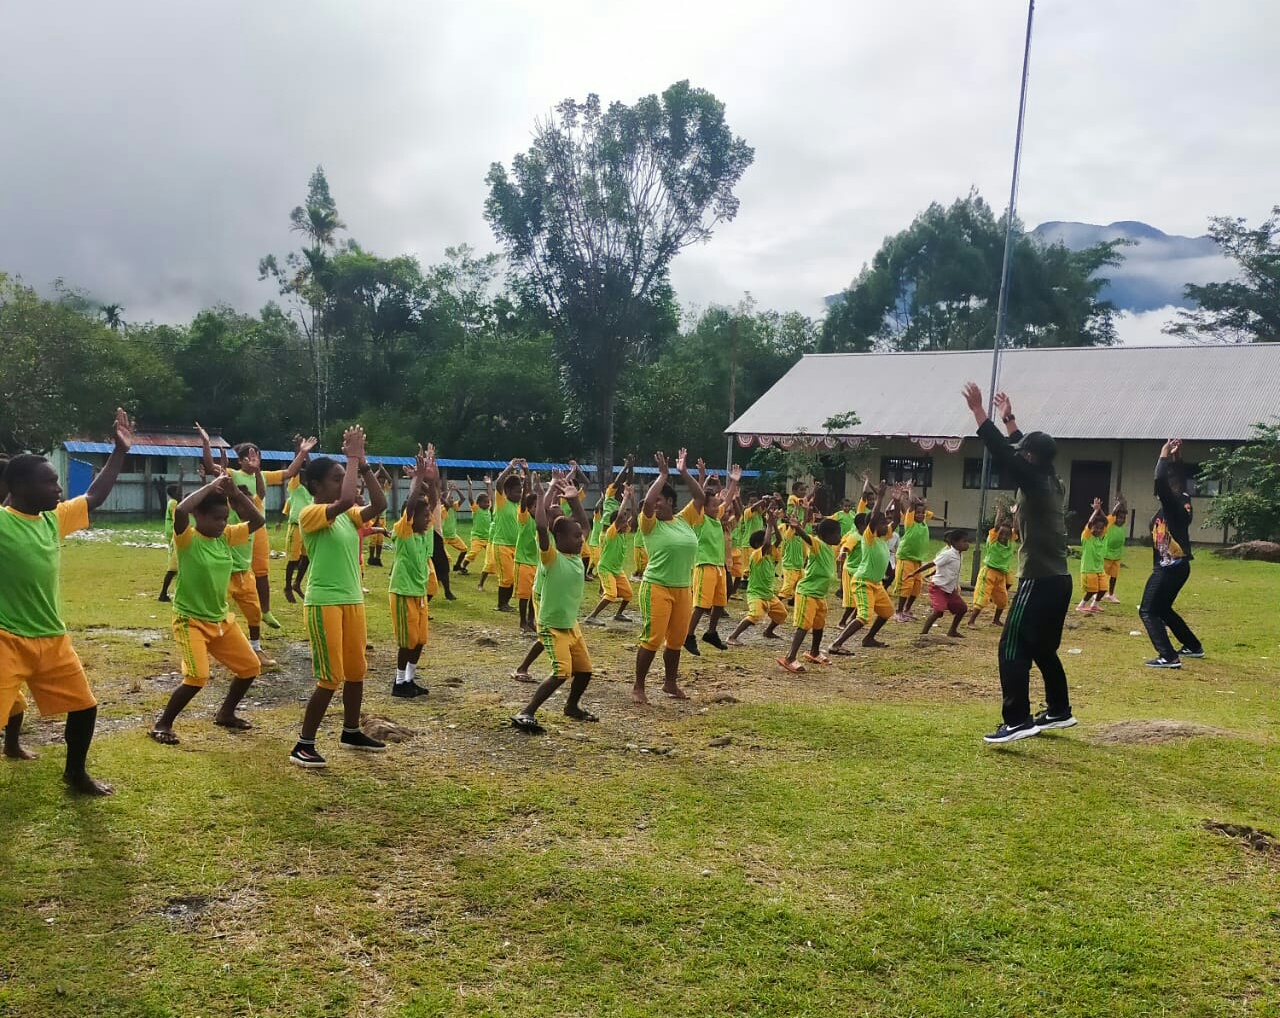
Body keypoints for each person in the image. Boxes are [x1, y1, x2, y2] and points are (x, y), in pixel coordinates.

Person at [0, 408, 133, 795]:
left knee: (84, 706)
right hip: (6, 638)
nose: (59, 489)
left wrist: (120, 451)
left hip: (52, 638)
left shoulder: (52, 519)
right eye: (50, 483)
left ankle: (75, 774)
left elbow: (94, 495)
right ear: (18, 487)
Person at [963, 383, 1076, 743]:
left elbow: (1004, 452)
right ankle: (1059, 710)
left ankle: (1017, 720)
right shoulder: (1050, 479)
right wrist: (1009, 418)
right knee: (1042, 648)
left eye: (1023, 453)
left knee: (1011, 646)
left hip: (1038, 580)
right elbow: (1021, 447)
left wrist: (981, 414)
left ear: (1029, 459)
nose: (1020, 454)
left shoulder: (1034, 479)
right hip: (1059, 580)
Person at [289, 425, 389, 768]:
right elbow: (346, 498)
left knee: (356, 671)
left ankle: (350, 730)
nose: (344, 482)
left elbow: (379, 503)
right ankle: (304, 743)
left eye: (344, 476)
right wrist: (351, 456)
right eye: (336, 477)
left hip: (352, 602)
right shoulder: (312, 513)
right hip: (324, 603)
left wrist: (360, 465)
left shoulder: (347, 516)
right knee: (330, 676)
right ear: (315, 486)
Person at [149, 473, 265, 744]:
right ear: (198, 515)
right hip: (191, 622)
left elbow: (257, 521)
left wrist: (235, 495)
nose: (222, 523)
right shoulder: (186, 539)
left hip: (222, 621)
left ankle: (226, 713)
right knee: (197, 676)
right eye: (216, 518)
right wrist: (210, 487)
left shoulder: (225, 537)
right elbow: (180, 510)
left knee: (250, 667)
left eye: (225, 518)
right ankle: (163, 724)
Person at [511, 477, 599, 733]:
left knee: (584, 671)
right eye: (574, 537)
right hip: (552, 626)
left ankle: (572, 707)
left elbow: (583, 524)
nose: (580, 539)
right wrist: (542, 494)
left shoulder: (575, 556)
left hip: (571, 625)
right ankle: (526, 711)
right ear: (558, 537)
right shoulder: (551, 557)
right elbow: (540, 527)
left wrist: (573, 499)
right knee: (562, 672)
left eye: (580, 537)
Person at [632, 450, 706, 706]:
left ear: (672, 503)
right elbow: (646, 503)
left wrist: (684, 472)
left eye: (661, 500)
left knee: (676, 640)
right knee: (653, 638)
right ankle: (639, 686)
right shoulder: (650, 524)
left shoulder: (684, 520)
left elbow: (700, 497)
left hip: (683, 589)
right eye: (655, 501)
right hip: (657, 587)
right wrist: (663, 475)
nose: (655, 504)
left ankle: (670, 683)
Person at [1140, 439, 1204, 669]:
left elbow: (1160, 480)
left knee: (1148, 610)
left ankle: (1168, 656)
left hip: (1169, 567)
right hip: (1178, 566)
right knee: (1163, 609)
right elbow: (1177, 480)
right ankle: (1193, 646)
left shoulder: (1172, 506)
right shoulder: (1184, 500)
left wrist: (1163, 454)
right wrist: (1176, 459)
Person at [389, 445, 439, 698]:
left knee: (420, 640)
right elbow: (410, 508)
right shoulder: (404, 531)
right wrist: (417, 481)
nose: (429, 519)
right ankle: (398, 682)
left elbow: (436, 499)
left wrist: (430, 476)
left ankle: (409, 679)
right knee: (407, 641)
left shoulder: (424, 534)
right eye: (424, 516)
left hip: (419, 593)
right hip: (403, 592)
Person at [828, 482, 899, 655]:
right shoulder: (869, 537)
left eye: (885, 523)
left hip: (876, 584)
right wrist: (880, 497)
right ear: (872, 527)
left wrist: (897, 501)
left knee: (887, 611)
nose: (886, 525)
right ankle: (835, 644)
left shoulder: (883, 538)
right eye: (883, 523)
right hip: (863, 582)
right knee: (864, 616)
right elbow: (874, 520)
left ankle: (868, 639)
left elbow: (896, 520)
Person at [684, 462, 741, 655]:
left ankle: (711, 632)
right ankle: (688, 635)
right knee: (701, 605)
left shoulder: (716, 518)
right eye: (714, 505)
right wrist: (702, 477)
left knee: (720, 603)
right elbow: (698, 497)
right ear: (704, 507)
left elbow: (728, 500)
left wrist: (733, 482)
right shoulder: (700, 519)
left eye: (718, 505)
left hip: (719, 567)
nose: (718, 507)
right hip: (704, 566)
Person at [777, 514, 843, 673]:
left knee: (819, 624)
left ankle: (814, 652)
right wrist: (797, 527)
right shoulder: (818, 544)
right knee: (804, 626)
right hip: (807, 593)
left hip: (819, 595)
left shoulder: (829, 547)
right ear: (826, 535)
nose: (839, 537)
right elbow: (807, 538)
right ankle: (790, 657)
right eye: (837, 534)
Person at [726, 508, 786, 645]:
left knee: (782, 614)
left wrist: (774, 524)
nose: (770, 543)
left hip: (768, 595)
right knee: (755, 615)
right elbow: (766, 543)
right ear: (759, 545)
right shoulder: (756, 555)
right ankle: (732, 636)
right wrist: (769, 524)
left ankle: (768, 631)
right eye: (767, 540)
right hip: (756, 594)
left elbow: (779, 539)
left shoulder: (771, 555)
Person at [583, 490, 637, 626]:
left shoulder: (623, 534)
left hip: (617, 571)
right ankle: (591, 616)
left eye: (626, 522)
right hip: (605, 569)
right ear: (616, 524)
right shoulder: (611, 533)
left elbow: (635, 516)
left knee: (629, 594)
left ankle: (618, 614)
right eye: (623, 522)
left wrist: (632, 499)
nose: (626, 524)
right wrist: (624, 499)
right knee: (611, 594)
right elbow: (619, 516)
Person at [912, 530, 972, 638]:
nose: (967, 544)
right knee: (938, 611)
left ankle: (952, 631)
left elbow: (943, 568)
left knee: (962, 608)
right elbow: (933, 563)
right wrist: (915, 572)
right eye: (964, 541)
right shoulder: (947, 554)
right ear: (955, 542)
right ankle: (923, 633)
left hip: (949, 590)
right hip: (938, 587)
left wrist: (955, 588)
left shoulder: (959, 555)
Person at [966, 502, 1018, 628]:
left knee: (1002, 601)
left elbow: (1016, 529)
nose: (1003, 536)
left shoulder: (1010, 543)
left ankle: (996, 620)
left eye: (1006, 534)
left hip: (1001, 576)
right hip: (988, 573)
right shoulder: (993, 541)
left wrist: (1015, 514)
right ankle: (971, 621)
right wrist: (999, 512)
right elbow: (996, 526)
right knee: (982, 598)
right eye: (1001, 533)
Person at [282, 436, 319, 603]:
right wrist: (299, 449)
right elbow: (295, 468)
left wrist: (308, 452)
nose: (305, 476)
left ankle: (297, 584)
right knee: (293, 558)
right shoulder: (295, 486)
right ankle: (287, 586)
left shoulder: (311, 490)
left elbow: (312, 470)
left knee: (307, 557)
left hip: (308, 527)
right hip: (295, 526)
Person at [488, 459, 523, 613]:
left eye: (520, 491)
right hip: (501, 545)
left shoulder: (519, 506)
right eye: (516, 491)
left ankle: (505, 603)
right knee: (506, 577)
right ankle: (501, 604)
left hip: (515, 546)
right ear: (507, 492)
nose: (519, 493)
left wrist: (525, 474)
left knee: (513, 578)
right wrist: (511, 467)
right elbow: (499, 483)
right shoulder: (501, 502)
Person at [893, 494, 935, 621]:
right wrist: (910, 491)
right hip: (906, 559)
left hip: (917, 560)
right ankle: (898, 611)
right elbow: (911, 506)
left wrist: (923, 503)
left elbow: (923, 508)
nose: (920, 515)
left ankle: (907, 609)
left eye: (923, 513)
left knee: (917, 586)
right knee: (906, 585)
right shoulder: (910, 522)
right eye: (918, 513)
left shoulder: (923, 524)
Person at [1076, 498, 1109, 614]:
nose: (1099, 530)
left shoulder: (1102, 538)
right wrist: (1095, 511)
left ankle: (1094, 605)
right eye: (1096, 527)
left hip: (1099, 569)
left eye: (1101, 528)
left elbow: (1106, 522)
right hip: (1088, 569)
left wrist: (1100, 510)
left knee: (1104, 588)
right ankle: (1081, 605)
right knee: (1091, 590)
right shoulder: (1087, 538)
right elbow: (1090, 524)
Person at [157, 471, 184, 602]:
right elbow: (178, 517)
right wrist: (181, 477)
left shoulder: (172, 502)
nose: (182, 494)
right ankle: (163, 593)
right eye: (179, 492)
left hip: (172, 533)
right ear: (174, 494)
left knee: (178, 567)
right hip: (173, 534)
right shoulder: (174, 503)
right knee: (173, 568)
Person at [1102, 495, 1128, 603]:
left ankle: (1111, 594)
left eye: (1123, 518)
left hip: (1117, 556)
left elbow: (1124, 511)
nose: (1121, 520)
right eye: (1119, 517)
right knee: (1102, 576)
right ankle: (1098, 592)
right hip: (1106, 555)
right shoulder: (1110, 524)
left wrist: (1123, 503)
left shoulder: (1122, 527)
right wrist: (1118, 504)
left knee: (1114, 576)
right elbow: (1113, 513)